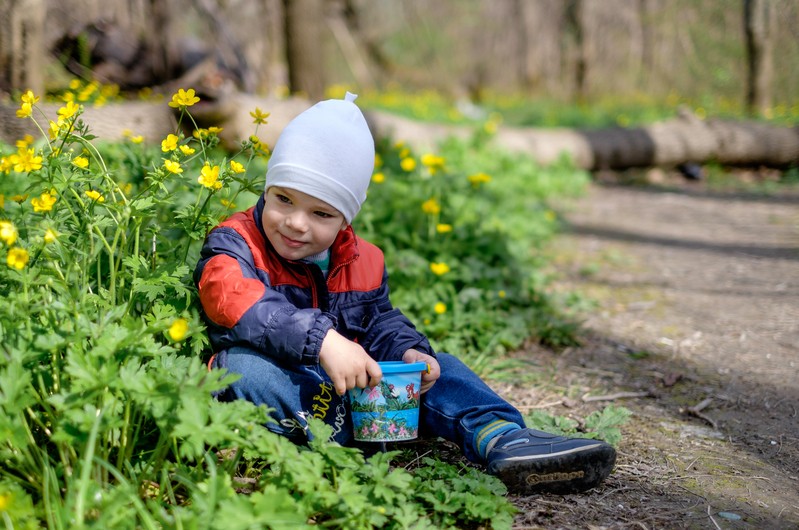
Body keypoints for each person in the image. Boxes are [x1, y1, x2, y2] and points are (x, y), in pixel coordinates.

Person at [193, 92, 616, 495]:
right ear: (266, 190)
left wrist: (409, 350)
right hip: (294, 385)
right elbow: (234, 299)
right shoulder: (236, 242)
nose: (296, 223)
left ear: (345, 218)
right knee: (243, 370)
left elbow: (379, 321)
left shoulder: (365, 259)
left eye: (320, 212)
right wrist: (323, 341)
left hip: (360, 392)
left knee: (439, 369)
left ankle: (503, 438)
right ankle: (335, 439)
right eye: (283, 199)